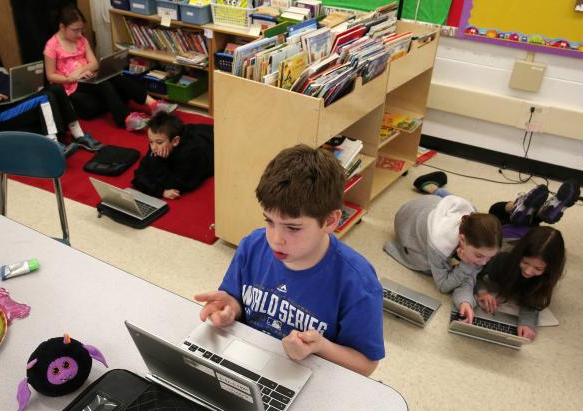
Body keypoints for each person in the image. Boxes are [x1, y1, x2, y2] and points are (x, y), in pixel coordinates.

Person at [195, 145, 384, 376]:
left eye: (292, 228)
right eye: (269, 221)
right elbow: (235, 301)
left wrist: (320, 347)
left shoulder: (358, 281)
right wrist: (228, 310)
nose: (276, 240)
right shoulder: (252, 246)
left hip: (310, 377)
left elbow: (366, 364)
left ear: (331, 221)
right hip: (248, 362)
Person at [383, 171, 502, 324]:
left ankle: (434, 189)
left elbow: (470, 275)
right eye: (479, 256)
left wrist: (466, 300)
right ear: (462, 239)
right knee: (426, 267)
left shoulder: (474, 221)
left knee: (464, 265)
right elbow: (444, 286)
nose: (485, 262)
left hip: (431, 203)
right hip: (406, 219)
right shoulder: (438, 245)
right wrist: (466, 265)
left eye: (490, 257)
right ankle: (433, 190)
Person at [0, 33, 100, 155]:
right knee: (45, 97)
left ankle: (79, 134)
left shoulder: (0, 71)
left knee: (55, 88)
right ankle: (53, 144)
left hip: (15, 104)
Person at [43, 4, 176, 132]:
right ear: (62, 27)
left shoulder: (81, 40)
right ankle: (126, 119)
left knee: (115, 76)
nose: (79, 33)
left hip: (87, 77)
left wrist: (81, 70)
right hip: (72, 85)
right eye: (75, 30)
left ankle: (153, 104)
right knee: (103, 83)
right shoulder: (52, 46)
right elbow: (50, 76)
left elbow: (94, 63)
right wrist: (70, 77)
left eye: (81, 29)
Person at [414, 171, 580, 239]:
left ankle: (431, 187)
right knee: (509, 216)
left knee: (467, 206)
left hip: (493, 236)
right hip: (526, 236)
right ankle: (530, 209)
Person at [475, 226, 565, 340]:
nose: (528, 271)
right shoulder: (501, 259)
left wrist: (527, 323)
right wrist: (482, 292)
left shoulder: (547, 276)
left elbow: (534, 300)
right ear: (518, 255)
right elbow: (474, 274)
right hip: (504, 233)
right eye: (525, 262)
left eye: (538, 269)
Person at [131, 111, 213, 199]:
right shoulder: (157, 145)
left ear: (175, 141)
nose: (153, 147)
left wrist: (158, 163)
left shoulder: (189, 154)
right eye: (151, 141)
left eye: (159, 142)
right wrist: (161, 192)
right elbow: (138, 177)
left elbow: (174, 185)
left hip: (217, 140)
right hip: (198, 132)